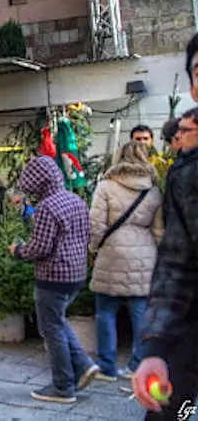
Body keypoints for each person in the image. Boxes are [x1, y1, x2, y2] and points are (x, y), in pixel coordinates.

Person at [8, 156, 99, 403]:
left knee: (51, 330)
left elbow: (40, 248)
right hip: (76, 274)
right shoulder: (75, 200)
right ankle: (83, 365)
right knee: (57, 322)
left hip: (53, 275)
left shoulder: (47, 207)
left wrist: (18, 250)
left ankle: (62, 386)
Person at [132, 109, 198, 416]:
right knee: (176, 405)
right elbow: (177, 250)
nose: (179, 137)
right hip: (185, 317)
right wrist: (155, 347)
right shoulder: (180, 172)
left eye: (185, 130)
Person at [87, 142, 163, 383]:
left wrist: (94, 247)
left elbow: (96, 224)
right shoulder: (153, 191)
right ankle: (137, 364)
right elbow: (158, 231)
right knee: (140, 312)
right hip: (145, 254)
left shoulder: (106, 186)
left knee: (105, 312)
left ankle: (107, 367)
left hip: (112, 252)